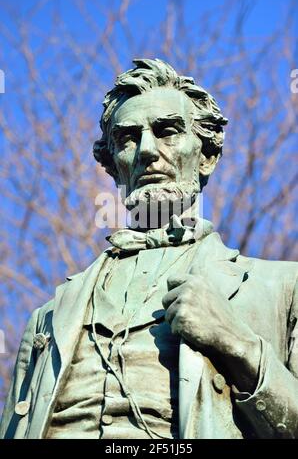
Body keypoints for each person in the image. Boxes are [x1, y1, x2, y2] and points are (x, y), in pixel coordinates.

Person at [1, 59, 297, 439]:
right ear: (111, 164)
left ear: (207, 156)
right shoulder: (48, 317)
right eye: (127, 138)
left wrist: (237, 344)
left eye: (167, 131)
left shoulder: (283, 287)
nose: (145, 151)